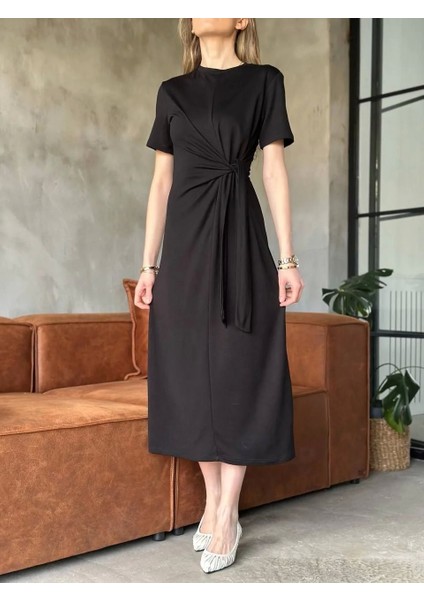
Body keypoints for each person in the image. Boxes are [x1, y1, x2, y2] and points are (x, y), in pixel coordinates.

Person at [135, 18, 304, 574]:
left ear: (242, 17)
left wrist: (287, 258)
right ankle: (213, 500)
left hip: (239, 236)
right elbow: (161, 182)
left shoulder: (264, 81)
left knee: (237, 365)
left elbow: (273, 171)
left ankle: (228, 511)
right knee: (189, 373)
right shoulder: (171, 92)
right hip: (185, 246)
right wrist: (148, 264)